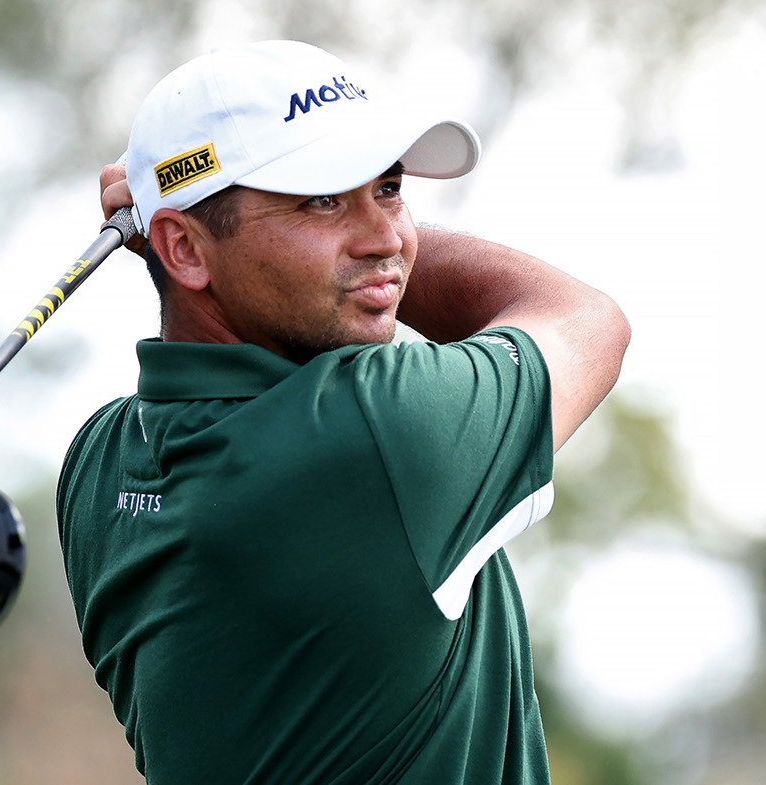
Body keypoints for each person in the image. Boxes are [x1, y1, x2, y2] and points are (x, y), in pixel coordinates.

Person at [57, 40, 630, 784]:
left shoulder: (98, 463)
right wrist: (174, 234)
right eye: (322, 199)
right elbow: (587, 320)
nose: (387, 236)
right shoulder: (377, 432)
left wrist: (189, 242)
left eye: (388, 187)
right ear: (183, 250)